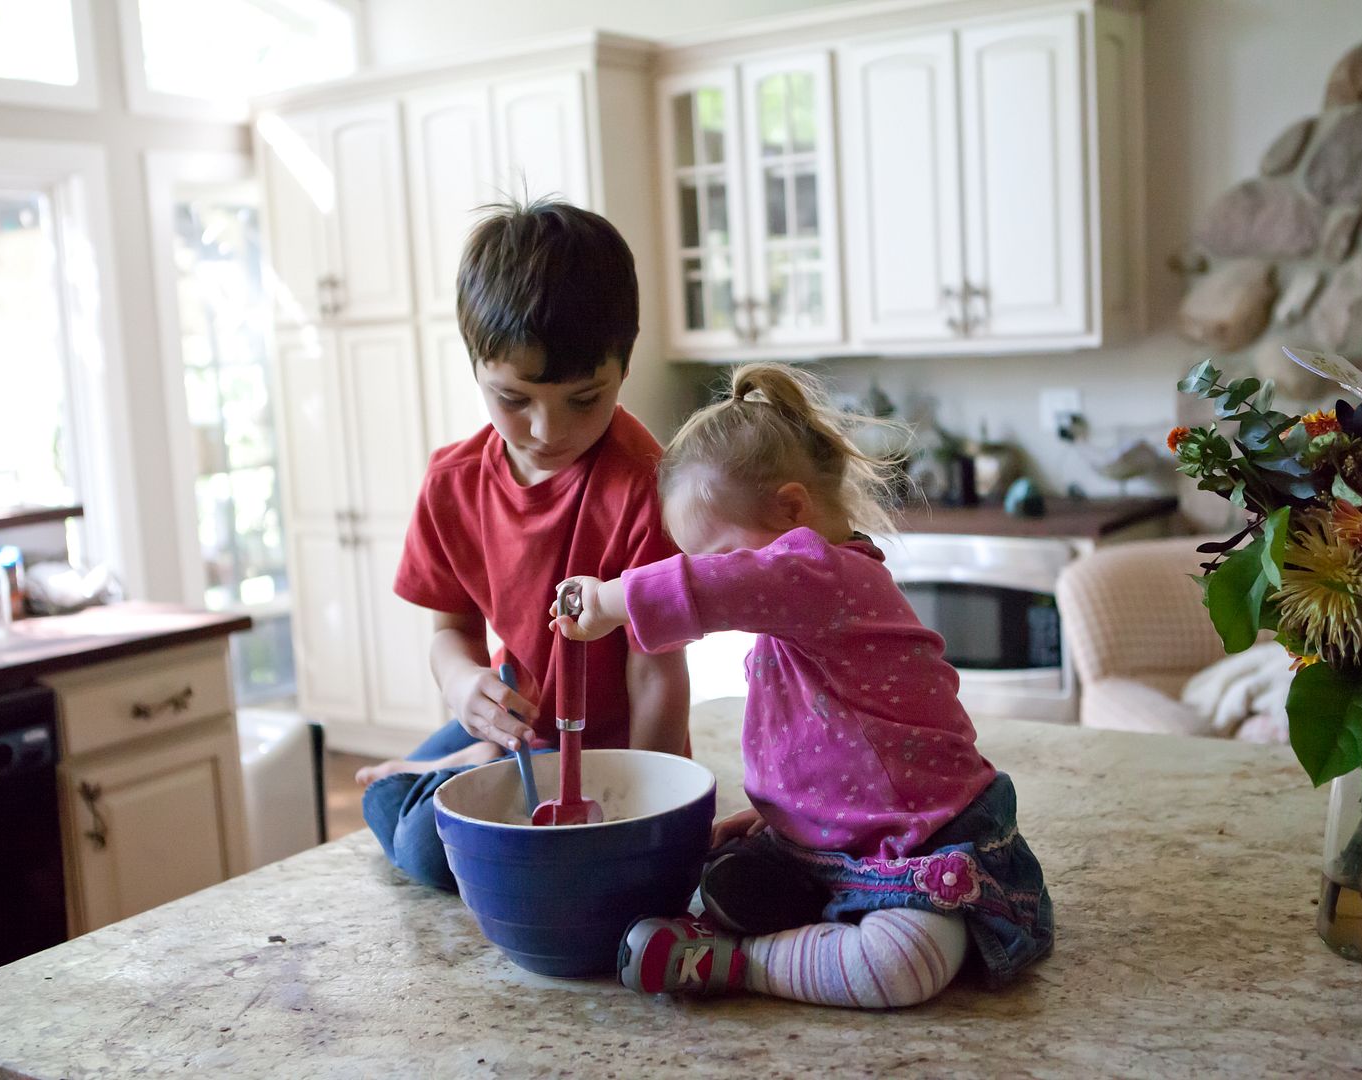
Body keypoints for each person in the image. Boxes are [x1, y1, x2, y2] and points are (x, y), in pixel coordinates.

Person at [550, 363, 1053, 1008]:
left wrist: (610, 597)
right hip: (832, 838)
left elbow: (719, 588)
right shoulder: (797, 610)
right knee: (716, 874)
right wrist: (778, 818)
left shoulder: (825, 574)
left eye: (721, 555)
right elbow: (820, 746)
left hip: (920, 841)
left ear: (792, 512)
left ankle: (739, 963)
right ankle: (764, 903)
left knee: (902, 966)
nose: (717, 574)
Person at [361, 198, 690, 890]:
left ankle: (441, 770)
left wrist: (647, 818)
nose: (546, 429)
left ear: (623, 367)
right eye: (514, 399)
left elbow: (655, 674)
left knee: (422, 848)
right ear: (477, 368)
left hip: (607, 750)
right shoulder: (453, 482)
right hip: (519, 723)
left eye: (583, 399)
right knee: (406, 824)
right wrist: (461, 684)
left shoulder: (643, 487)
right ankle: (460, 757)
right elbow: (449, 629)